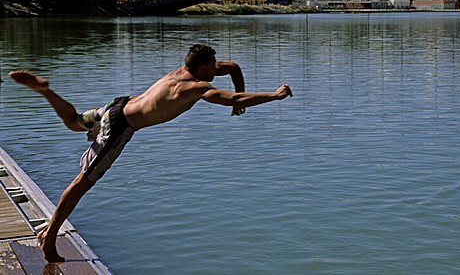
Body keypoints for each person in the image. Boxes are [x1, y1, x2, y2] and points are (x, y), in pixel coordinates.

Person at [8, 44, 292, 263]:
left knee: (73, 122)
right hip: (120, 126)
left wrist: (236, 105)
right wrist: (272, 96)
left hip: (117, 105)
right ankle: (50, 236)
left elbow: (233, 68)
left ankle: (45, 91)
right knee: (84, 181)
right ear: (205, 68)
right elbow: (234, 95)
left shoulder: (182, 72)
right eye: (212, 66)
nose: (216, 69)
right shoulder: (197, 87)